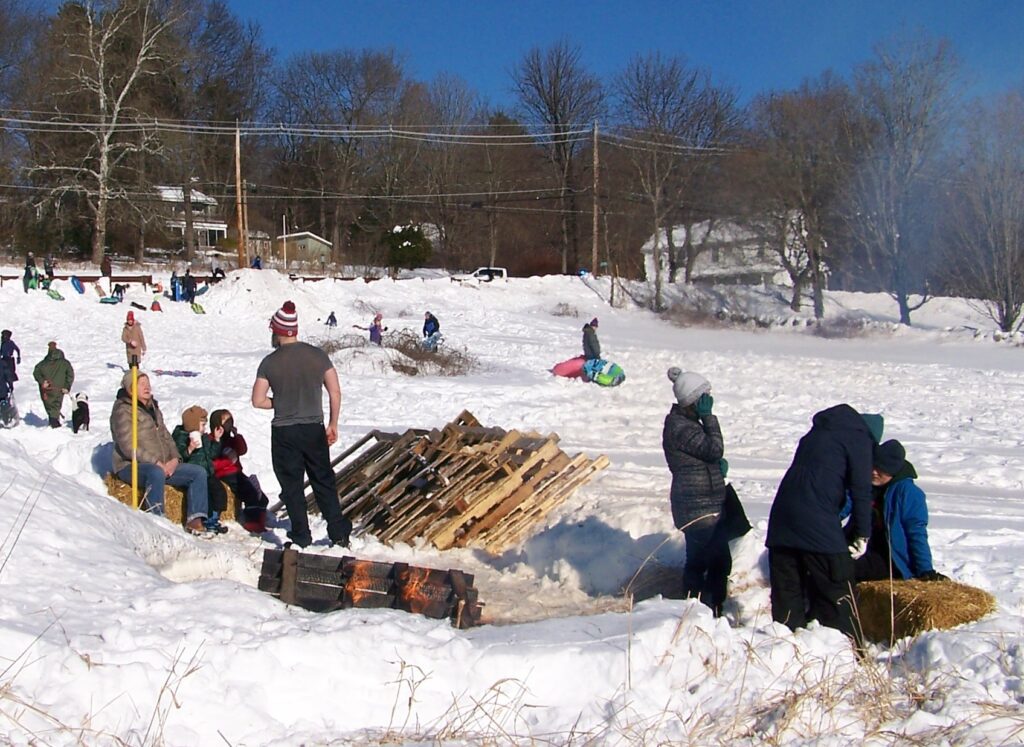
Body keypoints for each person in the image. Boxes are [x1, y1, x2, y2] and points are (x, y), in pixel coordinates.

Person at [765, 404, 883, 640]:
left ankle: (785, 652)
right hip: (816, 525)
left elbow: (818, 481)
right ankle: (846, 654)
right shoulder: (859, 439)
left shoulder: (815, 435)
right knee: (837, 587)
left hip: (781, 522)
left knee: (787, 594)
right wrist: (862, 534)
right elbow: (861, 490)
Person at [251, 300, 351, 548]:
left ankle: (301, 535)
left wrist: (281, 401)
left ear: (277, 332)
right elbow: (335, 392)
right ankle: (338, 533)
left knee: (291, 485)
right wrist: (333, 423)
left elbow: (257, 400)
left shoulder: (269, 362)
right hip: (313, 428)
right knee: (323, 481)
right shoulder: (317, 356)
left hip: (284, 432)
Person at [662, 368, 735, 616]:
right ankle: (703, 611)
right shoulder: (681, 427)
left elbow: (703, 457)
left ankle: (703, 608)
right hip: (697, 507)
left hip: (703, 504)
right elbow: (714, 449)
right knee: (711, 561)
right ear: (692, 401)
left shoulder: (686, 424)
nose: (707, 402)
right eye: (703, 398)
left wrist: (715, 469)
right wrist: (710, 417)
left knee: (708, 559)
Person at [109, 370, 212, 535]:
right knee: (155, 473)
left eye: (148, 383)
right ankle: (157, 520)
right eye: (142, 384)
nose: (147, 387)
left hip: (163, 464)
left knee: (198, 472)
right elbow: (127, 445)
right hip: (132, 465)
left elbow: (166, 437)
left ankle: (195, 519)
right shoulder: (123, 410)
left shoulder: (153, 408)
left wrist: (175, 459)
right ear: (130, 389)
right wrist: (155, 462)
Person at [851, 439, 946, 583]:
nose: (874, 472)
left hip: (892, 560)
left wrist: (925, 570)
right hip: (865, 549)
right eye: (872, 466)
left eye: (880, 469)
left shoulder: (908, 493)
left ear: (893, 470)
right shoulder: (866, 486)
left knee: (843, 568)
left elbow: (916, 533)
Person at [171, 405, 228, 533]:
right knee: (206, 495)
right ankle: (207, 520)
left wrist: (217, 440)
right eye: (202, 424)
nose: (204, 428)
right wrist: (189, 449)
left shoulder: (205, 438)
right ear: (193, 425)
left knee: (219, 492)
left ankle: (214, 518)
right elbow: (179, 456)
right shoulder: (182, 437)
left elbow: (212, 454)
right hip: (195, 473)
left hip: (208, 472)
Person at [209, 408, 270, 527]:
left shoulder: (230, 440)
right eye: (226, 421)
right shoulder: (212, 441)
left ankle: (260, 520)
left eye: (230, 421)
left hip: (236, 472)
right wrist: (227, 462)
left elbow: (242, 450)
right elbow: (212, 463)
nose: (229, 424)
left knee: (262, 498)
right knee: (250, 492)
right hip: (224, 474)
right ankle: (252, 522)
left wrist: (236, 435)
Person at [33, 341, 74, 428]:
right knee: (55, 407)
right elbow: (70, 375)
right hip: (59, 390)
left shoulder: (42, 364)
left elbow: (36, 372)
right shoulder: (65, 363)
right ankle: (55, 426)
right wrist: (67, 386)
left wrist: (42, 381)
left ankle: (54, 424)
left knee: (51, 408)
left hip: (46, 390)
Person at [0, 330, 20, 402]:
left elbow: (17, 349)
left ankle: (10, 385)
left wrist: (18, 357)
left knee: (10, 373)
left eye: (4, 335)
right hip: (4, 359)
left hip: (9, 360)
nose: (2, 337)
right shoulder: (3, 343)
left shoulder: (11, 343)